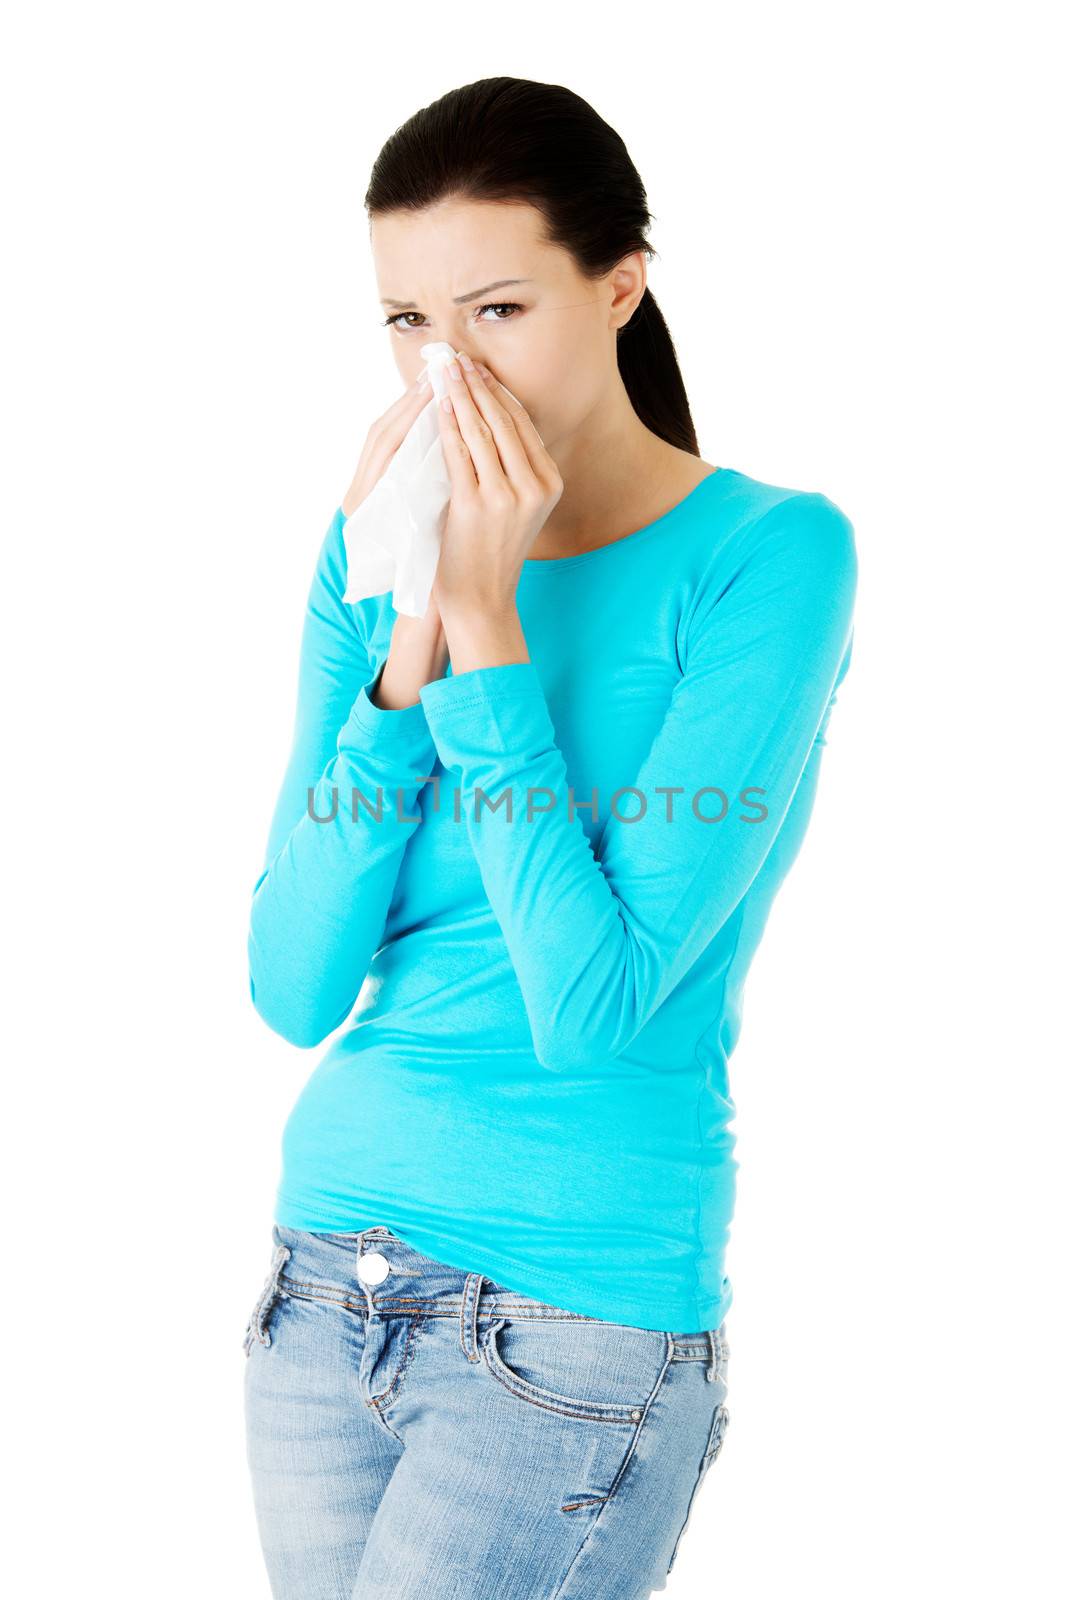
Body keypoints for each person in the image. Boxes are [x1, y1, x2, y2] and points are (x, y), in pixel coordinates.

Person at [243, 75, 857, 1599]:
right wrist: (403, 662)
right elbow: (292, 982)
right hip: (323, 1287)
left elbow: (591, 1010)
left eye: (499, 309)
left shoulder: (770, 555)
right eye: (406, 322)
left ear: (621, 285)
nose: (448, 372)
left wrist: (489, 628)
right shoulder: (367, 554)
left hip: (571, 1314)